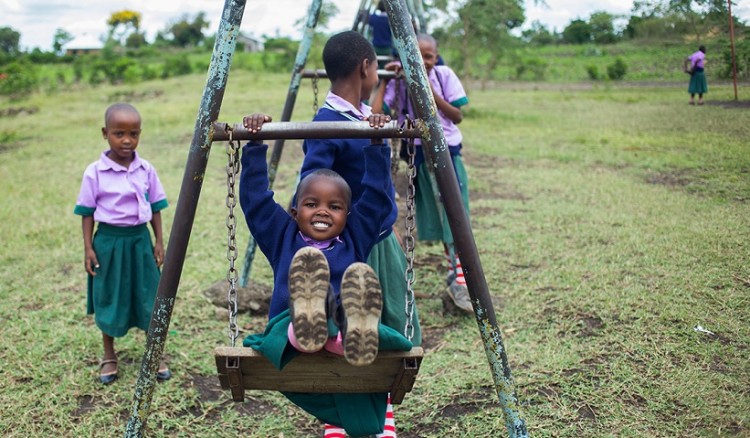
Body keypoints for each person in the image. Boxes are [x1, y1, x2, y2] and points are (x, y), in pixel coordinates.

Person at [239, 113, 409, 438]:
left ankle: (345, 332)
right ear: (294, 211)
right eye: (311, 203)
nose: (322, 211)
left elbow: (375, 199)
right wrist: (255, 143)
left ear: (347, 214)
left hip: (345, 329)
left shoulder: (355, 237)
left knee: (367, 319)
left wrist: (377, 142)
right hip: (292, 325)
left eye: (334, 206)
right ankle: (314, 328)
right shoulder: (282, 236)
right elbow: (255, 200)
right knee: (295, 318)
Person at [296, 30, 421, 438]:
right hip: (356, 248)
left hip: (382, 238)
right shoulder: (327, 125)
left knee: (393, 326)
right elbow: (312, 184)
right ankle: (349, 416)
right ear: (365, 67)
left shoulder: (360, 115)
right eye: (376, 68)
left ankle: (375, 409)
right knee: (359, 327)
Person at [372, 33, 473, 314]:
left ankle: (463, 280)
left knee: (456, 216)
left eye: (428, 56)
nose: (422, 61)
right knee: (440, 220)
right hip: (417, 155)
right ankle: (457, 273)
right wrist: (386, 81)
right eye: (415, 55)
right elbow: (379, 113)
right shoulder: (399, 81)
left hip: (447, 153)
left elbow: (457, 115)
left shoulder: (443, 75)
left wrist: (428, 89)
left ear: (435, 57)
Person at [74, 103, 171, 384]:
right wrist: (88, 248)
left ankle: (156, 352)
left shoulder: (146, 169)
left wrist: (159, 241)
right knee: (109, 296)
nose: (127, 140)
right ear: (105, 133)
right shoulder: (95, 172)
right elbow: (87, 213)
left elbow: (155, 208)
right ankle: (108, 354)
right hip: (108, 243)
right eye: (119, 133)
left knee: (150, 295)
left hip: (140, 240)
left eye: (134, 133)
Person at [368, 2, 394, 68]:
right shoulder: (390, 20)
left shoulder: (374, 18)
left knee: (375, 68)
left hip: (376, 48)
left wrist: (376, 9)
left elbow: (370, 20)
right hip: (387, 48)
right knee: (385, 67)